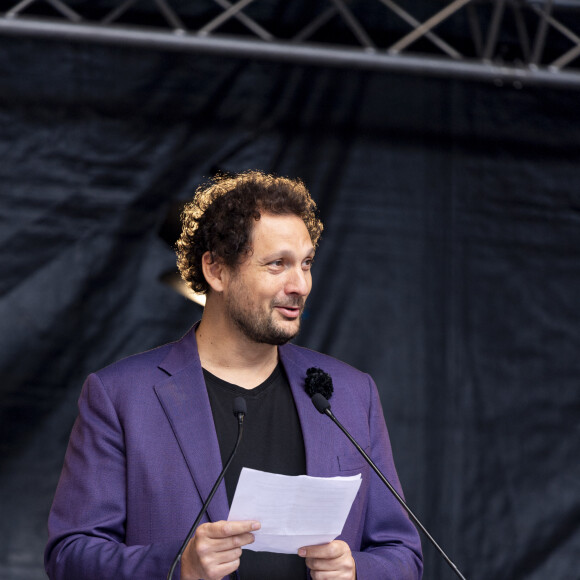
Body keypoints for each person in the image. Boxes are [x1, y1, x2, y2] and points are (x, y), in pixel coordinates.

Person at [45, 170, 423, 580]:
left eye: (306, 263)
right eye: (277, 264)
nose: (300, 284)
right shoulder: (120, 395)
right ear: (217, 270)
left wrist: (356, 572)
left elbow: (401, 552)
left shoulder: (351, 394)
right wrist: (177, 567)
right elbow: (70, 555)